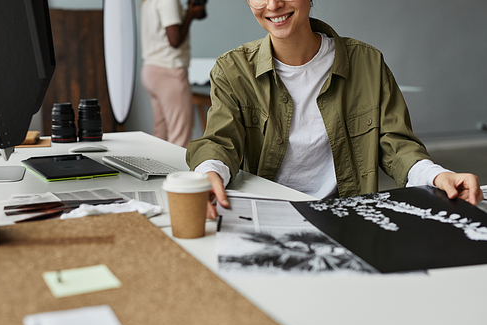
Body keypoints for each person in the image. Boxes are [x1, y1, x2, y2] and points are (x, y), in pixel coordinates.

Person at [186, 0, 484, 218]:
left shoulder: (368, 63)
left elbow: (397, 145)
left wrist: (437, 176)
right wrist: (209, 174)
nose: (273, 5)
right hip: (265, 215)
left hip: (348, 217)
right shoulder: (232, 69)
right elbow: (220, 141)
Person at [140, 0, 206, 148]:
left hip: (150, 70)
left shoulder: (147, 2)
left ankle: (157, 171)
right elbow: (174, 40)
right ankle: (177, 172)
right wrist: (189, 15)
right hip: (169, 71)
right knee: (180, 137)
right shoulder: (169, 1)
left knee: (160, 134)